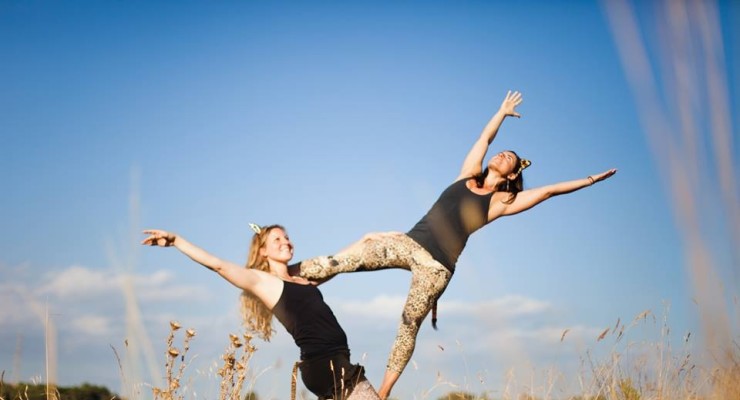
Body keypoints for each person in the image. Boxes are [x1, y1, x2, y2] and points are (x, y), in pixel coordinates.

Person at [294, 90, 617, 399]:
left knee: (408, 324)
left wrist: (589, 180)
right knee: (349, 259)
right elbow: (483, 139)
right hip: (409, 243)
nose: (502, 154)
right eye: (503, 151)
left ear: (512, 174)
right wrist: (501, 114)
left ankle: (383, 393)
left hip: (436, 267)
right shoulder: (466, 175)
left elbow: (548, 192)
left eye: (510, 158)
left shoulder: (501, 201)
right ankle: (287, 275)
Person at [141, 224, 380, 400]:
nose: (286, 241)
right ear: (263, 251)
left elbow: (335, 263)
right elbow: (219, 265)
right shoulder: (264, 282)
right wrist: (177, 241)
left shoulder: (301, 278)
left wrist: (364, 240)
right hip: (324, 362)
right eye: (277, 239)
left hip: (335, 361)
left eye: (287, 237)